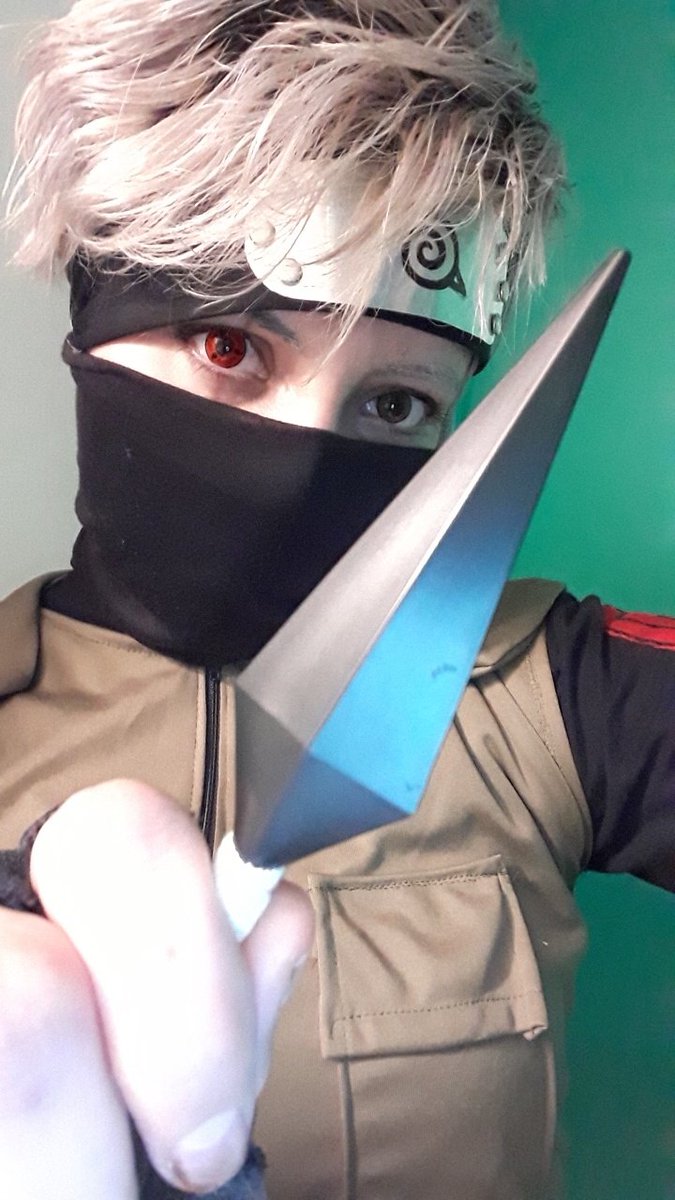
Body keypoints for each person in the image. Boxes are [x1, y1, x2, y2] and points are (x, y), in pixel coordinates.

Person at [0, 2, 672, 1198]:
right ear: (94, 333)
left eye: (396, 405)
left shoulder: (550, 689)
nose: (306, 456)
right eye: (230, 348)